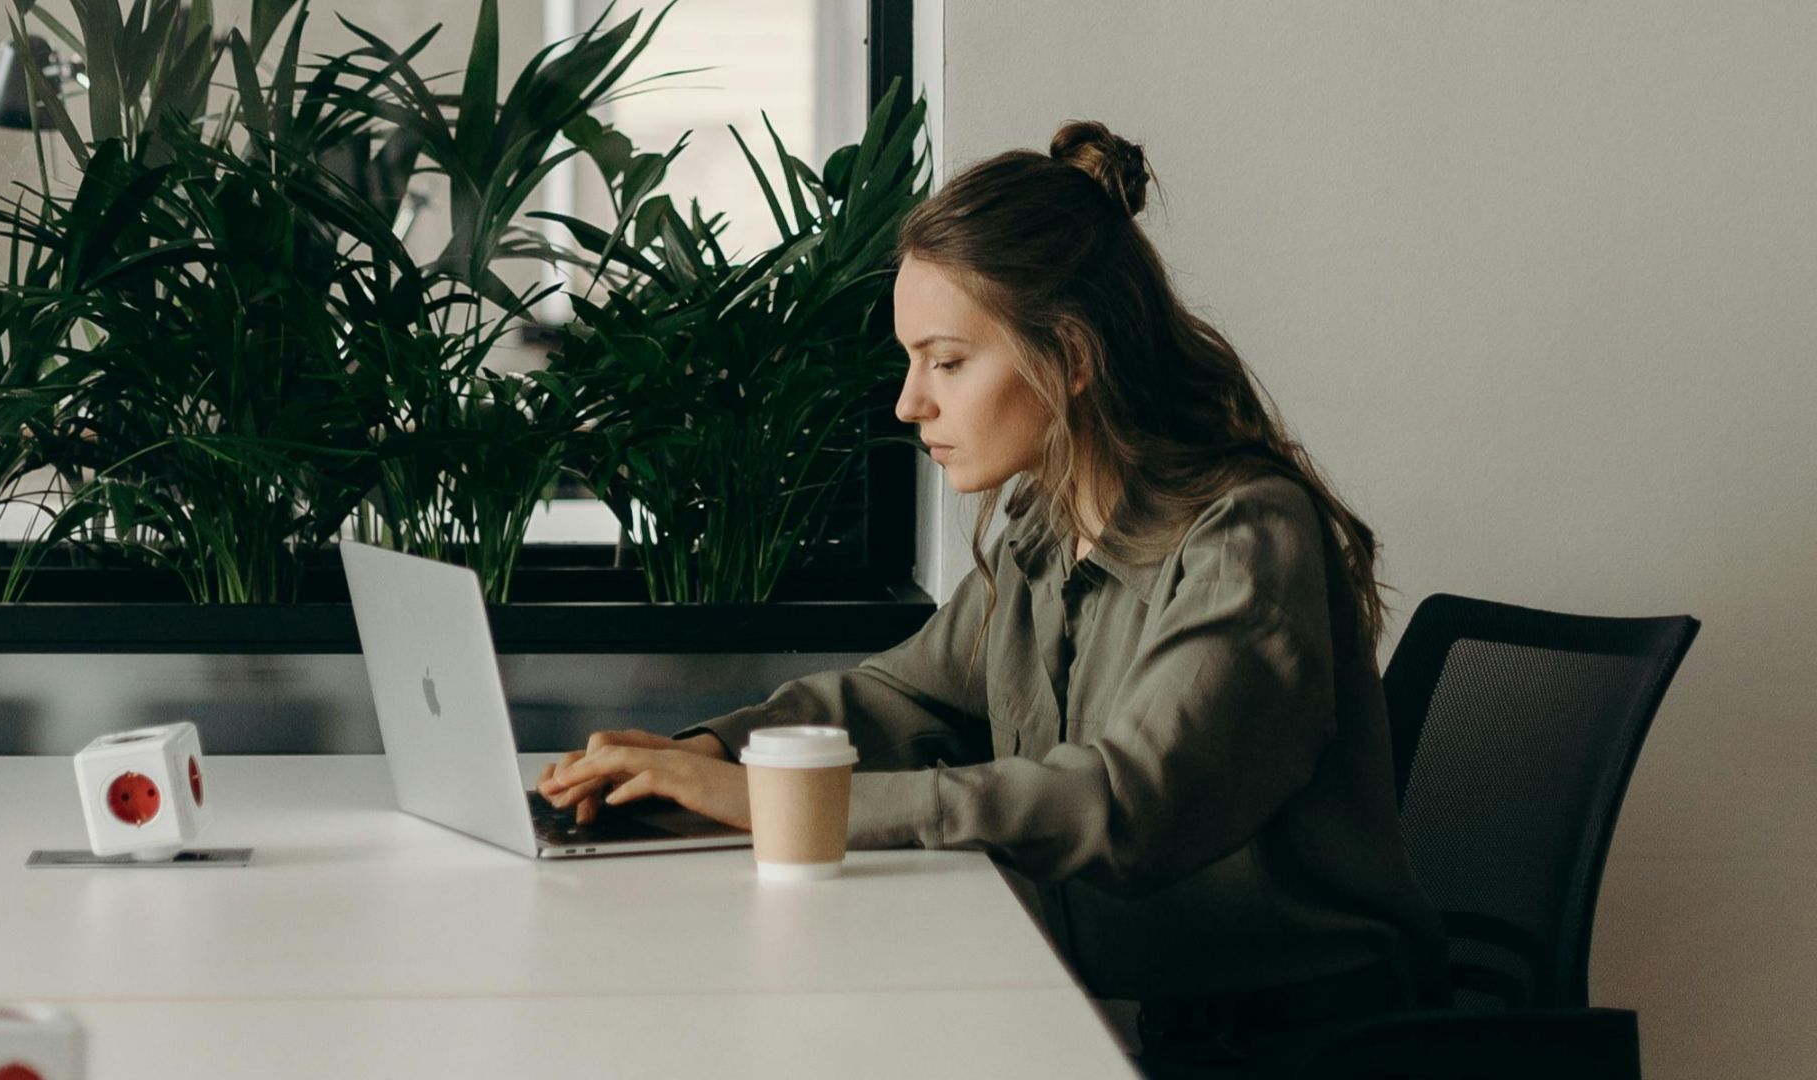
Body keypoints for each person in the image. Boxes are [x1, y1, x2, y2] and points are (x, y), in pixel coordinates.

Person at [538, 120, 1446, 1075]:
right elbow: (902, 695)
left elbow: (1131, 805)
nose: (909, 403)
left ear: (1074, 357)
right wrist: (706, 753)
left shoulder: (1246, 540)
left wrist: (780, 803)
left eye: (948, 360)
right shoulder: (1048, 528)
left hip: (1289, 1046)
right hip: (1105, 1003)